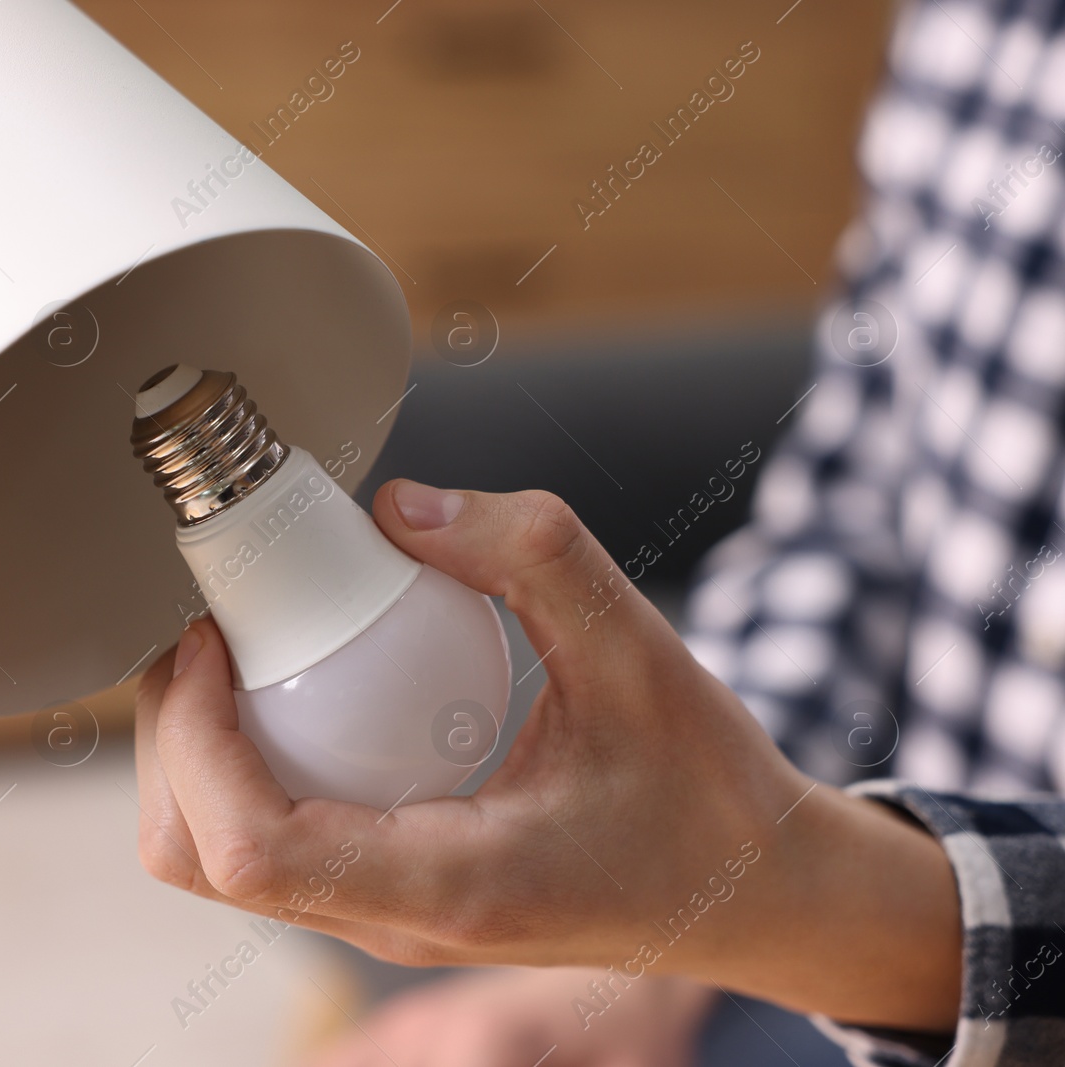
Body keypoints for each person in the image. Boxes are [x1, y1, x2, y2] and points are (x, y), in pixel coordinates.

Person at [132, 0, 1065, 1064]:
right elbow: (861, 491)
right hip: (871, 827)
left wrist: (783, 896)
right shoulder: (983, 23)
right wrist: (699, 849)